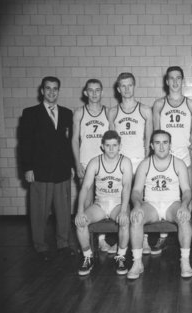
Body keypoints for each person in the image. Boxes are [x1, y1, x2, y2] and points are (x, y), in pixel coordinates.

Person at [20, 76, 74, 261]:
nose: (52, 92)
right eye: (48, 88)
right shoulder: (30, 113)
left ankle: (63, 243)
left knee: (63, 211)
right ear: (42, 91)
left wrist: (72, 166)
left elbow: (69, 144)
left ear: (59, 91)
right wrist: (27, 168)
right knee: (39, 212)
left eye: (55, 88)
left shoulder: (67, 113)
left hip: (61, 171)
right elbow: (25, 143)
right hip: (40, 172)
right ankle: (41, 246)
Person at [128, 130, 192, 280]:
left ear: (170, 145)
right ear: (151, 145)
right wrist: (137, 206)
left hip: (172, 205)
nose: (162, 147)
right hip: (151, 205)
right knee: (136, 218)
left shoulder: (179, 163)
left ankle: (185, 261)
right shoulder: (145, 164)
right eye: (157, 143)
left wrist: (184, 205)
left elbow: (187, 190)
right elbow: (136, 191)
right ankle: (137, 262)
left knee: (184, 218)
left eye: (165, 142)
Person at [152, 66, 192, 254]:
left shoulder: (191, 104)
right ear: (167, 81)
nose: (175, 82)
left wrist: (189, 145)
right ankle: (163, 236)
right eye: (172, 78)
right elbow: (156, 132)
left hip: (184, 158)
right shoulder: (159, 104)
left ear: (183, 81)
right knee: (163, 196)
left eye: (179, 78)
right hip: (164, 159)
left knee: (189, 196)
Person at [74, 131, 133, 276]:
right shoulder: (95, 162)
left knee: (125, 222)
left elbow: (127, 187)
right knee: (80, 222)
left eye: (114, 145)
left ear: (119, 146)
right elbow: (85, 187)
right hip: (100, 204)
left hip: (118, 204)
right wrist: (80, 211)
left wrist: (124, 210)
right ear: (102, 146)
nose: (111, 149)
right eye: (108, 146)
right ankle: (88, 256)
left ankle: (121, 256)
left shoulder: (125, 162)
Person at [109, 72, 153, 255]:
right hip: (121, 165)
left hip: (139, 162)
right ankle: (121, 242)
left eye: (130, 85)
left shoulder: (145, 110)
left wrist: (146, 163)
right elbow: (112, 141)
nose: (127, 89)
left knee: (140, 202)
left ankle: (144, 241)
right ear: (118, 89)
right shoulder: (113, 112)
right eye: (123, 86)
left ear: (134, 86)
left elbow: (149, 139)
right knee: (122, 202)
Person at [72, 79, 113, 253]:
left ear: (102, 92)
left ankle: (102, 240)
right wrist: (77, 164)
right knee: (87, 203)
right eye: (91, 90)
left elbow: (113, 138)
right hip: (86, 164)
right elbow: (74, 140)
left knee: (102, 203)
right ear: (85, 93)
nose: (94, 93)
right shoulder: (80, 113)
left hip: (104, 165)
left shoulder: (108, 112)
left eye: (98, 90)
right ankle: (86, 243)